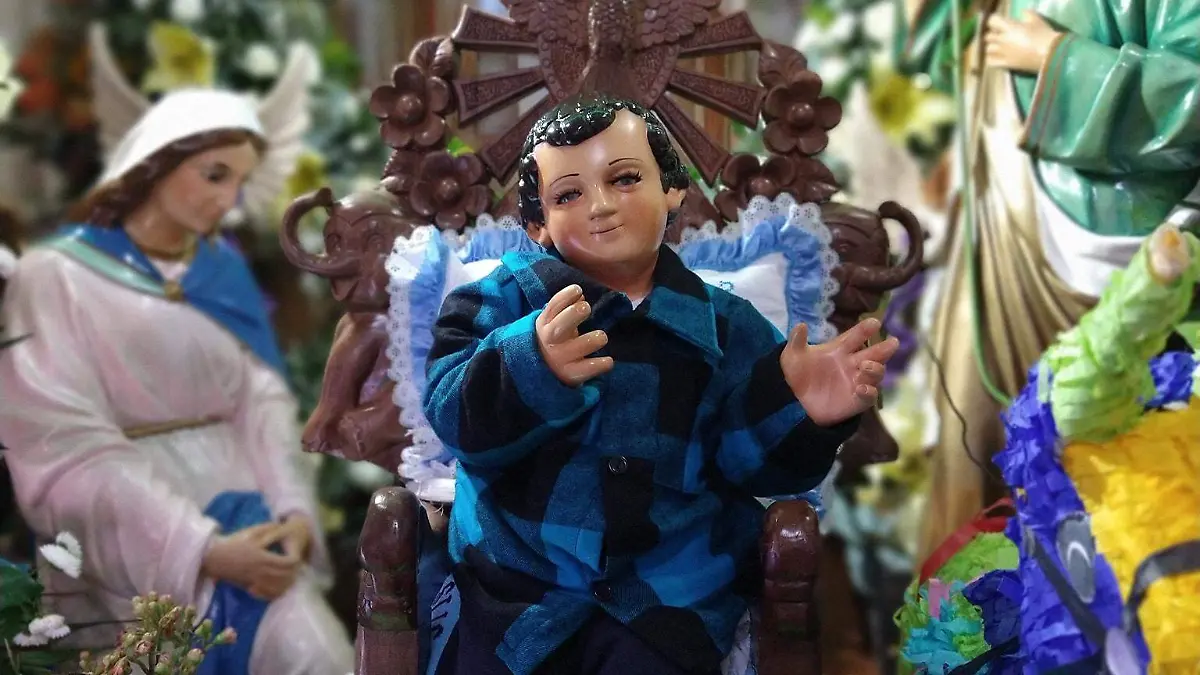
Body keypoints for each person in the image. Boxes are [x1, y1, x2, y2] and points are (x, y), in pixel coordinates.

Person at [420, 95, 901, 675]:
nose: (600, 206)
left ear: (672, 190)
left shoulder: (726, 325)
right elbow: (454, 421)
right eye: (568, 195)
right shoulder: (495, 303)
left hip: (666, 597)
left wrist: (797, 411)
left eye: (624, 179)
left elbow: (749, 468)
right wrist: (529, 367)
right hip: (516, 591)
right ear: (536, 223)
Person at [0, 89, 353, 675]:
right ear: (155, 163)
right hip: (129, 543)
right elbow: (61, 443)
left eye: (240, 182)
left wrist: (293, 514)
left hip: (254, 523)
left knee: (318, 656)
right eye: (214, 175)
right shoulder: (54, 276)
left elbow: (263, 405)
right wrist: (200, 548)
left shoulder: (223, 272)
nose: (229, 201)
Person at [900, 0, 1200, 559]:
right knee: (974, 436)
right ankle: (966, 604)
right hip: (996, 224)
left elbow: (1192, 96)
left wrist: (1060, 62)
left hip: (1102, 246)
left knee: (1100, 461)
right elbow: (955, 57)